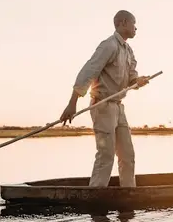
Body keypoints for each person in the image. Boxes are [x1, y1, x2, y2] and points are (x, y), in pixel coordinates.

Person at [60, 10, 151, 188]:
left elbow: (132, 77)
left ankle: (128, 194)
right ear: (123, 23)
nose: (136, 28)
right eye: (133, 23)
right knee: (106, 154)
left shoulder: (129, 51)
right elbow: (88, 72)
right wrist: (72, 104)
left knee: (127, 155)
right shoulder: (108, 46)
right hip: (102, 105)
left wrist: (138, 81)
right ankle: (96, 196)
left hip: (118, 106)